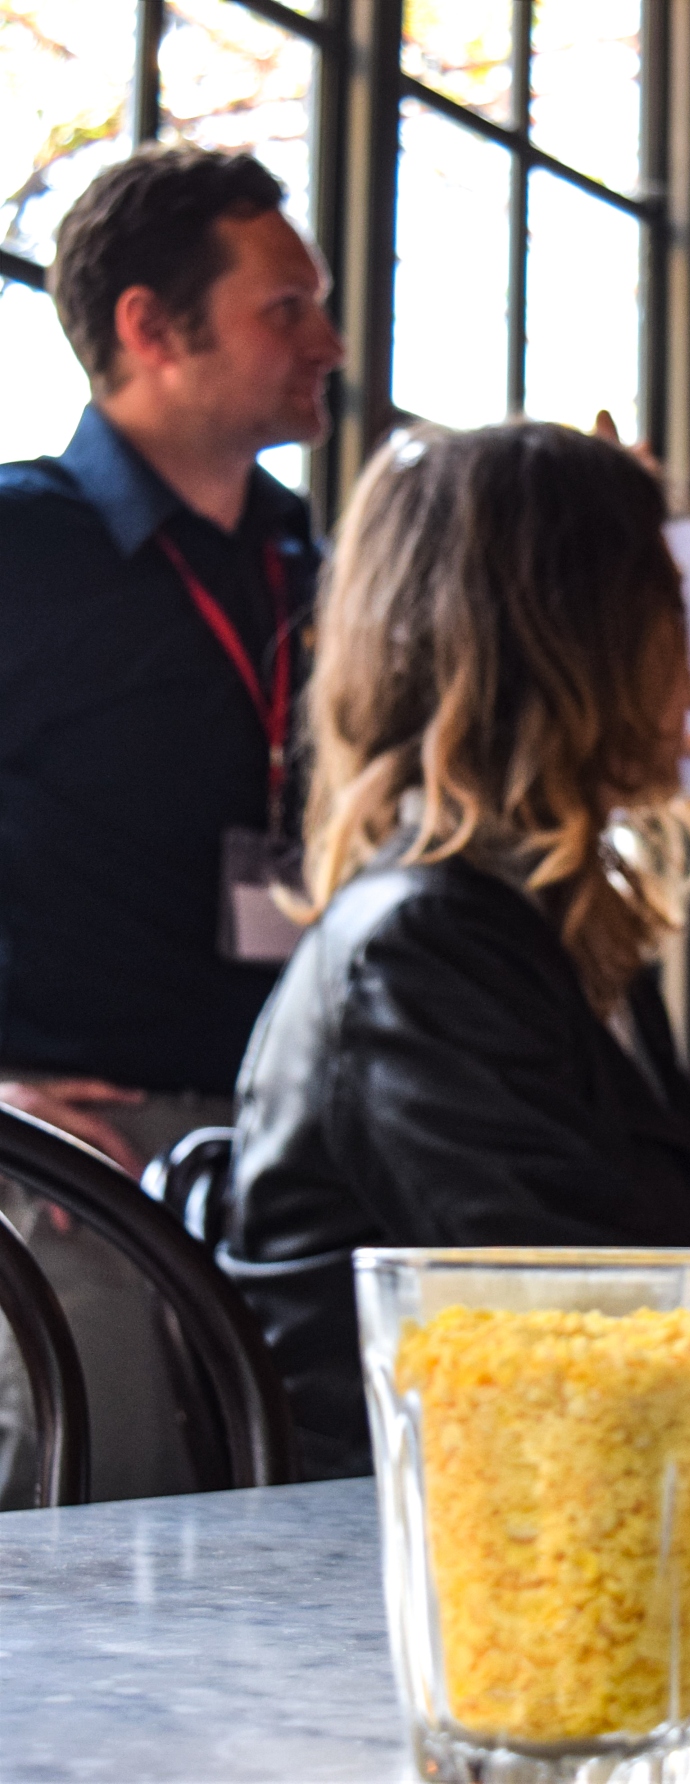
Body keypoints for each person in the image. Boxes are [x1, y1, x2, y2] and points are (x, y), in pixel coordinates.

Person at [220, 422, 690, 1478]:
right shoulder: (423, 949)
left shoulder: (538, 919)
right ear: (584, 636)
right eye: (669, 598)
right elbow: (605, 1325)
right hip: (435, 1571)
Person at [0, 147, 343, 1172]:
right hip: (78, 1159)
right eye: (286, 309)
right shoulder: (19, 544)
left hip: (308, 1141)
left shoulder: (315, 567)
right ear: (150, 327)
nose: (328, 343)